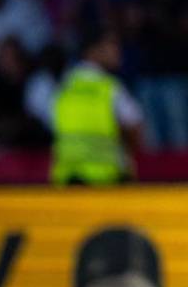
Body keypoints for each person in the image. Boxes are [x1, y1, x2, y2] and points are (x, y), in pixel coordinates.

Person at [50, 28, 144, 185]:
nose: (117, 50)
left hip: (69, 183)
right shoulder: (110, 88)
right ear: (93, 50)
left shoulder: (63, 88)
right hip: (109, 180)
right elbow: (135, 128)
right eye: (111, 44)